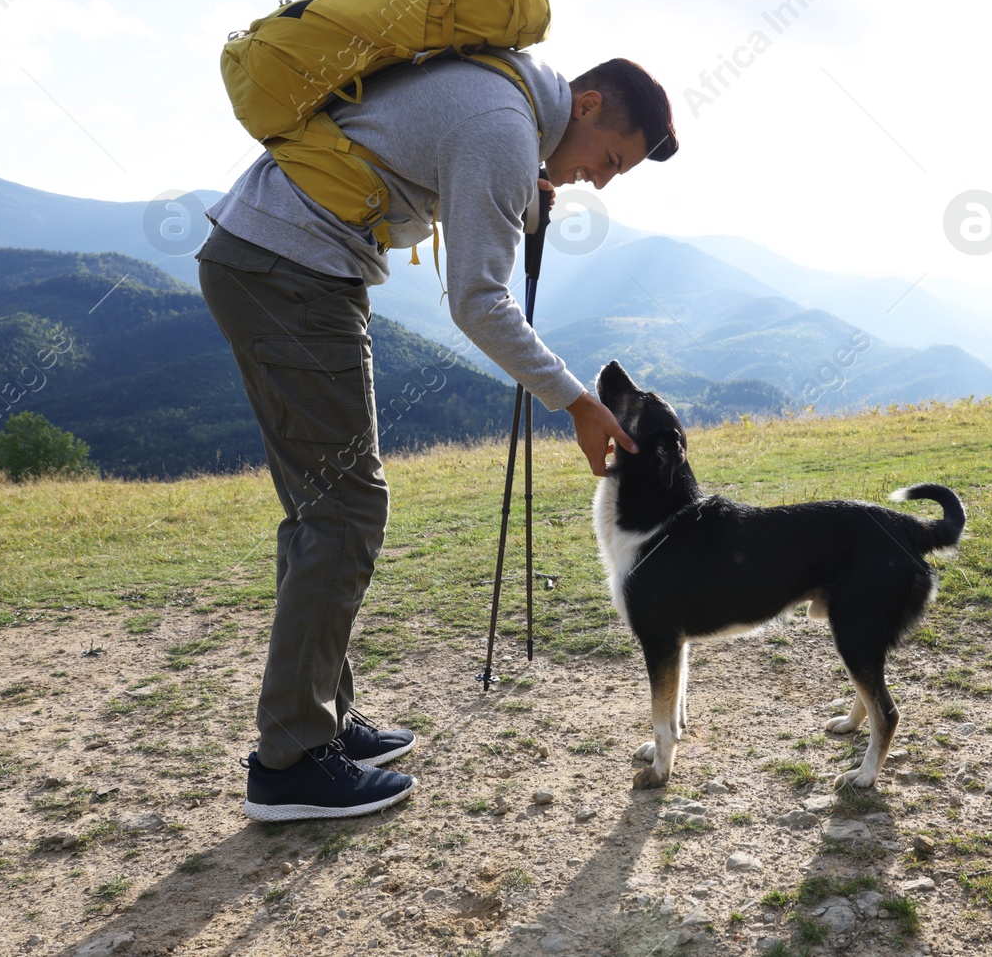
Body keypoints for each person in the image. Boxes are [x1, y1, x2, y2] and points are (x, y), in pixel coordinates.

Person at [198, 49, 676, 821]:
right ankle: (290, 760)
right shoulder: (505, 126)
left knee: (325, 505)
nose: (599, 179)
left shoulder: (504, 97)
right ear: (586, 105)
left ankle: (320, 716)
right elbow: (478, 303)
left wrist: (518, 197)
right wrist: (578, 402)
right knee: (345, 510)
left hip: (272, 256)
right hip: (291, 269)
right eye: (609, 160)